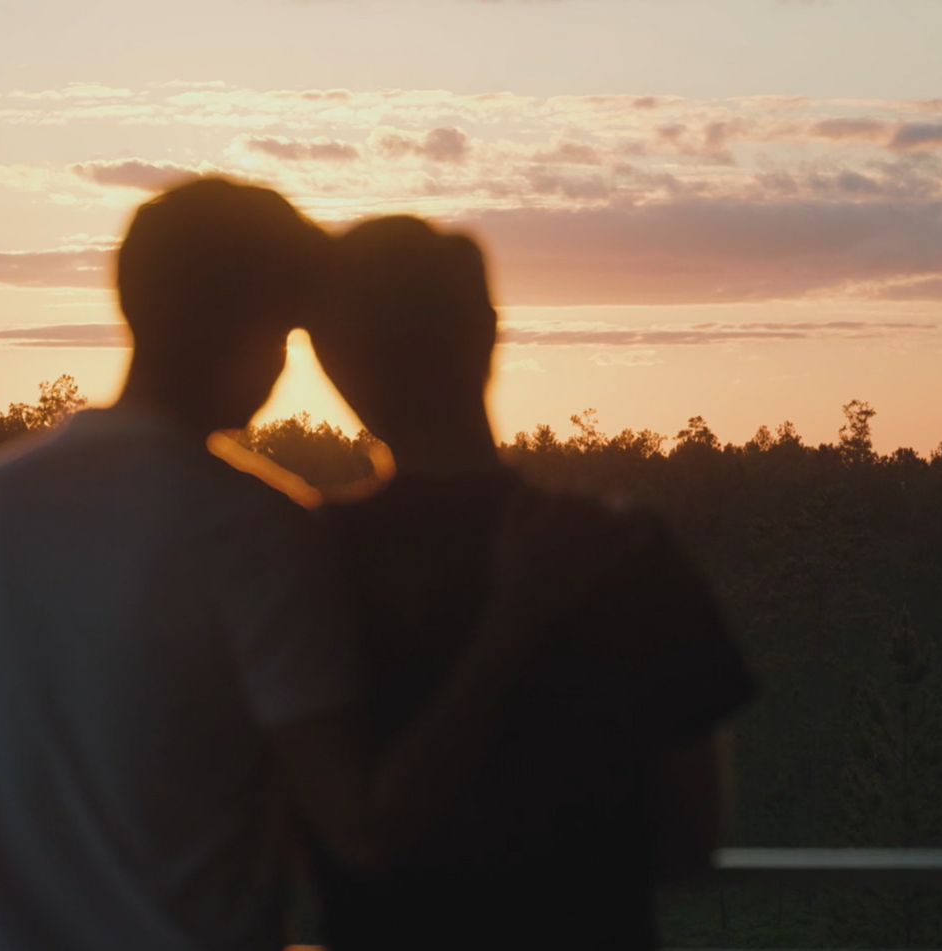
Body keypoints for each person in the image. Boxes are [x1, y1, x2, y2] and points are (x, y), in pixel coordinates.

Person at [0, 179, 633, 951]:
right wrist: (514, 619)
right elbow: (365, 829)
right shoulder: (250, 528)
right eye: (288, 336)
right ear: (249, 331)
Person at [305, 215, 758, 950]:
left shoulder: (301, 559)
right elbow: (690, 838)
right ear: (489, 333)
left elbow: (327, 831)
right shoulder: (626, 550)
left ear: (335, 364)